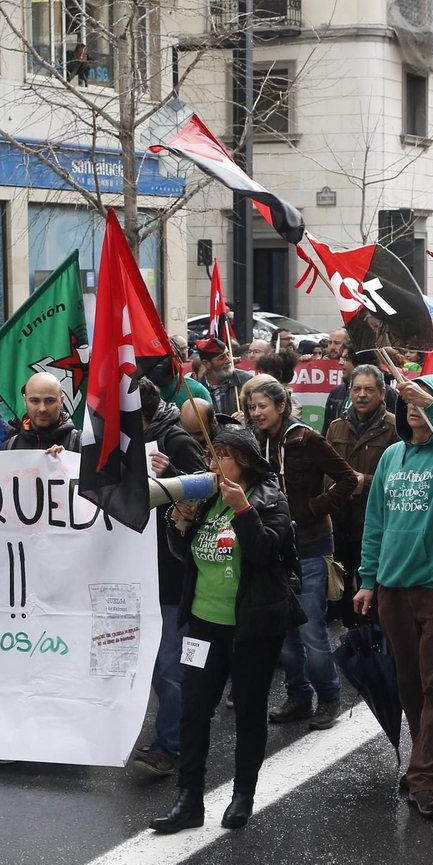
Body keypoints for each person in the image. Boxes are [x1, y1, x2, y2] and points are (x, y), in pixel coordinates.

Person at [151, 425, 299, 833]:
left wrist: (243, 510)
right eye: (210, 454)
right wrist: (180, 523)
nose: (213, 463)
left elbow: (265, 551)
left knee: (249, 712)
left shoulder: (271, 499)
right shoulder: (207, 498)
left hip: (252, 627)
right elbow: (186, 555)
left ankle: (242, 795)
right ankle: (188, 800)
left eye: (223, 455)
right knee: (194, 711)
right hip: (203, 624)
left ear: (245, 461)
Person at [355, 373, 433, 820]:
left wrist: (432, 406)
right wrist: (368, 579)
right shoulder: (392, 455)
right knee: (410, 683)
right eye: (407, 399)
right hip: (394, 587)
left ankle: (423, 776)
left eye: (423, 399)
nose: (412, 406)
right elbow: (376, 522)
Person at [240, 375, 357, 727]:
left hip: (311, 544)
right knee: (284, 629)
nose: (256, 413)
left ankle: (330, 697)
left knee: (310, 629)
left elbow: (348, 479)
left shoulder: (307, 439)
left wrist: (311, 509)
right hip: (275, 547)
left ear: (282, 406)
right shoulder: (255, 442)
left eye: (263, 406)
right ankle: (299, 696)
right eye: (252, 407)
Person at [132, 378, 211, 779]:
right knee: (152, 664)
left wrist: (172, 475)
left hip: (171, 574)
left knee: (169, 665)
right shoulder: (130, 441)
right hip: (140, 573)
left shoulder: (175, 440)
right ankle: (175, 731)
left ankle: (170, 747)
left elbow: (208, 491)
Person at [324, 364, 400, 627]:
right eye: (356, 389)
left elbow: (401, 477)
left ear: (382, 393)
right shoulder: (336, 427)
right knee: (343, 591)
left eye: (369, 389)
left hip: (375, 523)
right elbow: (324, 470)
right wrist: (337, 486)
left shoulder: (395, 428)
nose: (362, 395)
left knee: (374, 597)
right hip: (340, 522)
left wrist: (364, 482)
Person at [3, 372, 80, 453]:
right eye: (34, 401)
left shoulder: (81, 445)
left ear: (61, 401)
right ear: (25, 402)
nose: (42, 409)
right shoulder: (9, 447)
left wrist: (69, 458)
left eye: (50, 401)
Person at [198, 338, 252, 416]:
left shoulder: (247, 381)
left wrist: (247, 418)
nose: (228, 360)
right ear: (206, 363)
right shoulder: (198, 390)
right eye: (221, 358)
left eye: (228, 354)